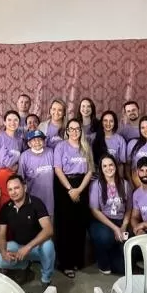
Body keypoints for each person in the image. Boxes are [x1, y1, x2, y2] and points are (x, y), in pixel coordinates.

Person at [0, 175, 55, 284]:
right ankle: (24, 265)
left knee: (48, 245)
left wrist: (28, 247)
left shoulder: (36, 203)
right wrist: (3, 252)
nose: (13, 192)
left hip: (37, 247)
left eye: (16, 188)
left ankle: (46, 278)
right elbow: (1, 234)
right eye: (10, 189)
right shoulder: (6, 208)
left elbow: (49, 230)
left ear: (25, 188)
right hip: (18, 246)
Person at [53, 118, 93, 277]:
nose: (75, 132)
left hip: (82, 185)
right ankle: (65, 264)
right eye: (72, 129)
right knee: (65, 227)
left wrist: (80, 190)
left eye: (78, 129)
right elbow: (57, 169)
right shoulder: (60, 146)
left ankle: (77, 260)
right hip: (64, 186)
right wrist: (70, 189)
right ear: (67, 131)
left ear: (81, 131)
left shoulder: (86, 147)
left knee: (79, 225)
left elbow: (90, 170)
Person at [88, 154, 131, 275]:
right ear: (101, 169)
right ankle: (102, 261)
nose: (108, 168)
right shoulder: (96, 185)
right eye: (104, 166)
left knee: (122, 269)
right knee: (105, 237)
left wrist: (123, 226)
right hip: (102, 220)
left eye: (111, 165)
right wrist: (115, 228)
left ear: (116, 166)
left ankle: (115, 253)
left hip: (120, 220)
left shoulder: (125, 184)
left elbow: (129, 208)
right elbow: (95, 210)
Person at [0, 109, 23, 215]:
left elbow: (18, 159)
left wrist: (16, 167)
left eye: (15, 120)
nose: (12, 123)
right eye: (9, 120)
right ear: (4, 122)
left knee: (10, 207)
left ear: (19, 123)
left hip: (11, 177)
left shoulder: (19, 140)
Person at [19, 129, 55, 215]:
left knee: (49, 222)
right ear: (29, 143)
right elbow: (21, 178)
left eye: (40, 139)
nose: (37, 142)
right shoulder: (24, 156)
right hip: (32, 197)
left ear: (44, 141)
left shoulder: (50, 152)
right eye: (34, 140)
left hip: (49, 198)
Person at [92, 111, 127, 177]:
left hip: (114, 177)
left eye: (111, 121)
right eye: (105, 120)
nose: (108, 123)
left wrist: (119, 181)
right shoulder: (94, 138)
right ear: (101, 122)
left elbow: (121, 165)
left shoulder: (120, 140)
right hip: (97, 177)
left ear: (115, 123)